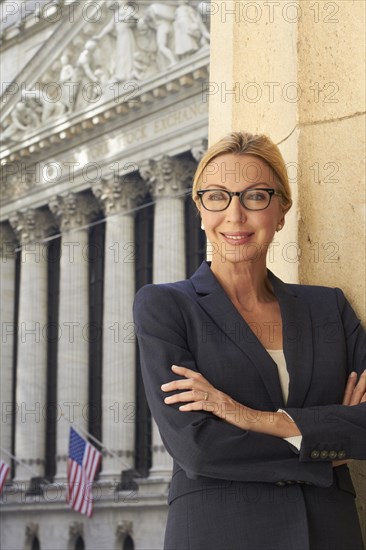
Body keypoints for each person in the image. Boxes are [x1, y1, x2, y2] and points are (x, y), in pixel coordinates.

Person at [133, 132, 366, 550]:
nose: (235, 215)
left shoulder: (329, 308)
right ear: (201, 210)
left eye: (255, 196)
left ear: (281, 211)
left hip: (328, 534)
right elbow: (198, 448)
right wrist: (324, 447)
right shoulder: (165, 306)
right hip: (218, 533)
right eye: (217, 197)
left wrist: (246, 416)